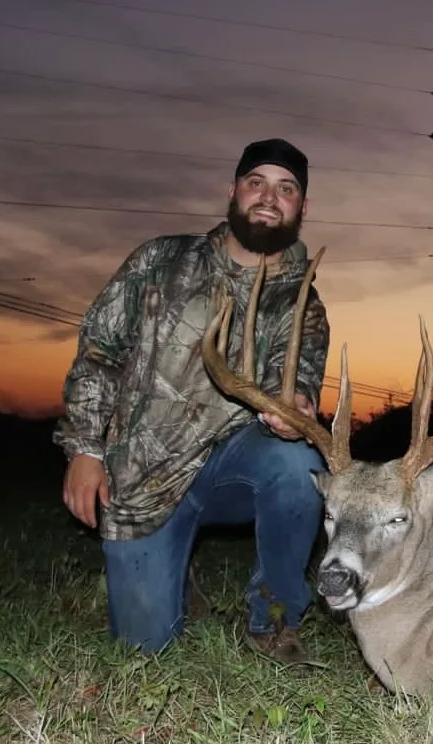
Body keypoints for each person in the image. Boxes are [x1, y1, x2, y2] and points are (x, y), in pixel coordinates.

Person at [53, 138, 329, 664]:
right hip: (142, 481)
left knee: (298, 468)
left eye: (286, 188)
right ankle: (176, 579)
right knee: (145, 655)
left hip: (229, 468)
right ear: (233, 192)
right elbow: (98, 352)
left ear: (302, 207)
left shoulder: (303, 304)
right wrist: (85, 451)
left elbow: (298, 382)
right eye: (257, 183)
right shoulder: (161, 261)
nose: (269, 197)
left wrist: (294, 411)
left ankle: (273, 620)